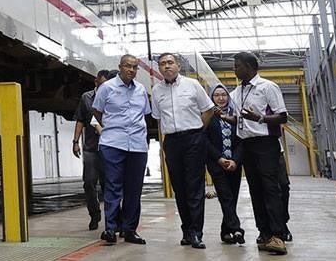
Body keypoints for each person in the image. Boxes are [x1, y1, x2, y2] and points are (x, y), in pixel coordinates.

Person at [150, 53, 215, 249]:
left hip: (194, 138)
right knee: (179, 187)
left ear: (178, 66)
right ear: (159, 68)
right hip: (171, 141)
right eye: (162, 64)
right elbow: (158, 117)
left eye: (170, 63)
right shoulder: (156, 90)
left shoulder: (192, 85)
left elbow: (208, 109)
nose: (166, 66)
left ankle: (196, 232)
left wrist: (198, 131)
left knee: (194, 187)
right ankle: (187, 231)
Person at [229, 52, 289, 255]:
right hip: (246, 144)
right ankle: (264, 233)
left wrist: (261, 118)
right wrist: (226, 118)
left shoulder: (267, 87)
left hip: (266, 144)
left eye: (237, 66)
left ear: (249, 66)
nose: (234, 69)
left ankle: (278, 235)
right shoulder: (236, 92)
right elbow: (240, 120)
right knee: (255, 190)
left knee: (271, 188)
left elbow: (282, 117)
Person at [92, 55, 152, 245]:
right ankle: (110, 229)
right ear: (120, 67)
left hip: (137, 145)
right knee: (113, 187)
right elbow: (97, 111)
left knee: (134, 189)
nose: (131, 70)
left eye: (135, 67)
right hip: (112, 144)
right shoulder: (106, 88)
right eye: (128, 66)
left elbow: (145, 114)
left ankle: (129, 230)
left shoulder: (141, 89)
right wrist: (112, 128)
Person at [205, 83, 245, 245]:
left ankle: (225, 231)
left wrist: (235, 160)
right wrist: (219, 159)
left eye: (223, 95)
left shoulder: (235, 114)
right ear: (211, 98)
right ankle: (236, 229)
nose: (220, 98)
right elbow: (205, 140)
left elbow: (242, 138)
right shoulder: (208, 115)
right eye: (216, 95)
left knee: (232, 197)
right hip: (217, 163)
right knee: (225, 195)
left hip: (234, 163)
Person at [72, 69, 111, 230]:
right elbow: (80, 120)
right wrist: (75, 141)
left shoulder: (112, 97)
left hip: (109, 148)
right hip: (91, 148)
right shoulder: (86, 98)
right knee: (88, 183)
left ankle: (112, 219)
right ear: (96, 82)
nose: (104, 88)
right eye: (102, 85)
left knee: (108, 185)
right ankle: (94, 215)